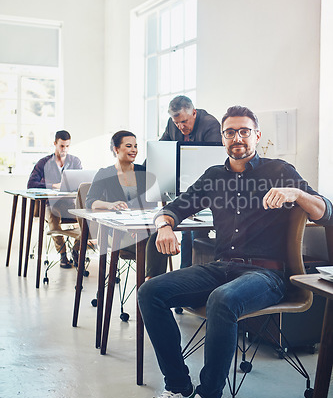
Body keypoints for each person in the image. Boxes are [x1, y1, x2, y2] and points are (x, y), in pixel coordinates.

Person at [136, 105, 333, 398]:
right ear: (223, 138)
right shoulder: (214, 176)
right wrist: (164, 226)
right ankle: (179, 388)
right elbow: (174, 208)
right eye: (230, 132)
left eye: (244, 131)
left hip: (267, 276)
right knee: (150, 292)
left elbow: (326, 212)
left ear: (256, 135)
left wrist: (296, 193)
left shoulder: (280, 171)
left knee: (222, 300)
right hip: (222, 266)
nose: (237, 138)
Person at [85, 130, 167, 275]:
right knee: (156, 243)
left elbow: (152, 203)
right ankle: (151, 286)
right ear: (116, 149)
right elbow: (90, 201)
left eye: (135, 146)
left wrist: (141, 227)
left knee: (158, 238)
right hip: (116, 232)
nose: (134, 150)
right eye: (129, 146)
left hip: (143, 228)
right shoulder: (105, 173)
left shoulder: (144, 171)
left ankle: (149, 284)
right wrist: (109, 205)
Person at [159, 95, 222, 275]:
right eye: (177, 123)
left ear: (194, 113)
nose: (181, 127)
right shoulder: (173, 124)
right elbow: (162, 149)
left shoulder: (210, 125)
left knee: (193, 232)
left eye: (184, 121)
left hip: (207, 186)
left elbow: (211, 165)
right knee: (184, 228)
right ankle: (184, 274)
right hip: (184, 184)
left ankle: (189, 274)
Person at [27, 130, 82, 268]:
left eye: (67, 146)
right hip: (50, 205)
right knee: (53, 215)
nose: (64, 149)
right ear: (55, 144)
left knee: (87, 218)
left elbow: (81, 182)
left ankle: (76, 250)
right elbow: (31, 184)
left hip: (69, 204)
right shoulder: (44, 163)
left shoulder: (75, 161)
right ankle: (63, 254)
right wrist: (53, 186)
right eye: (62, 146)